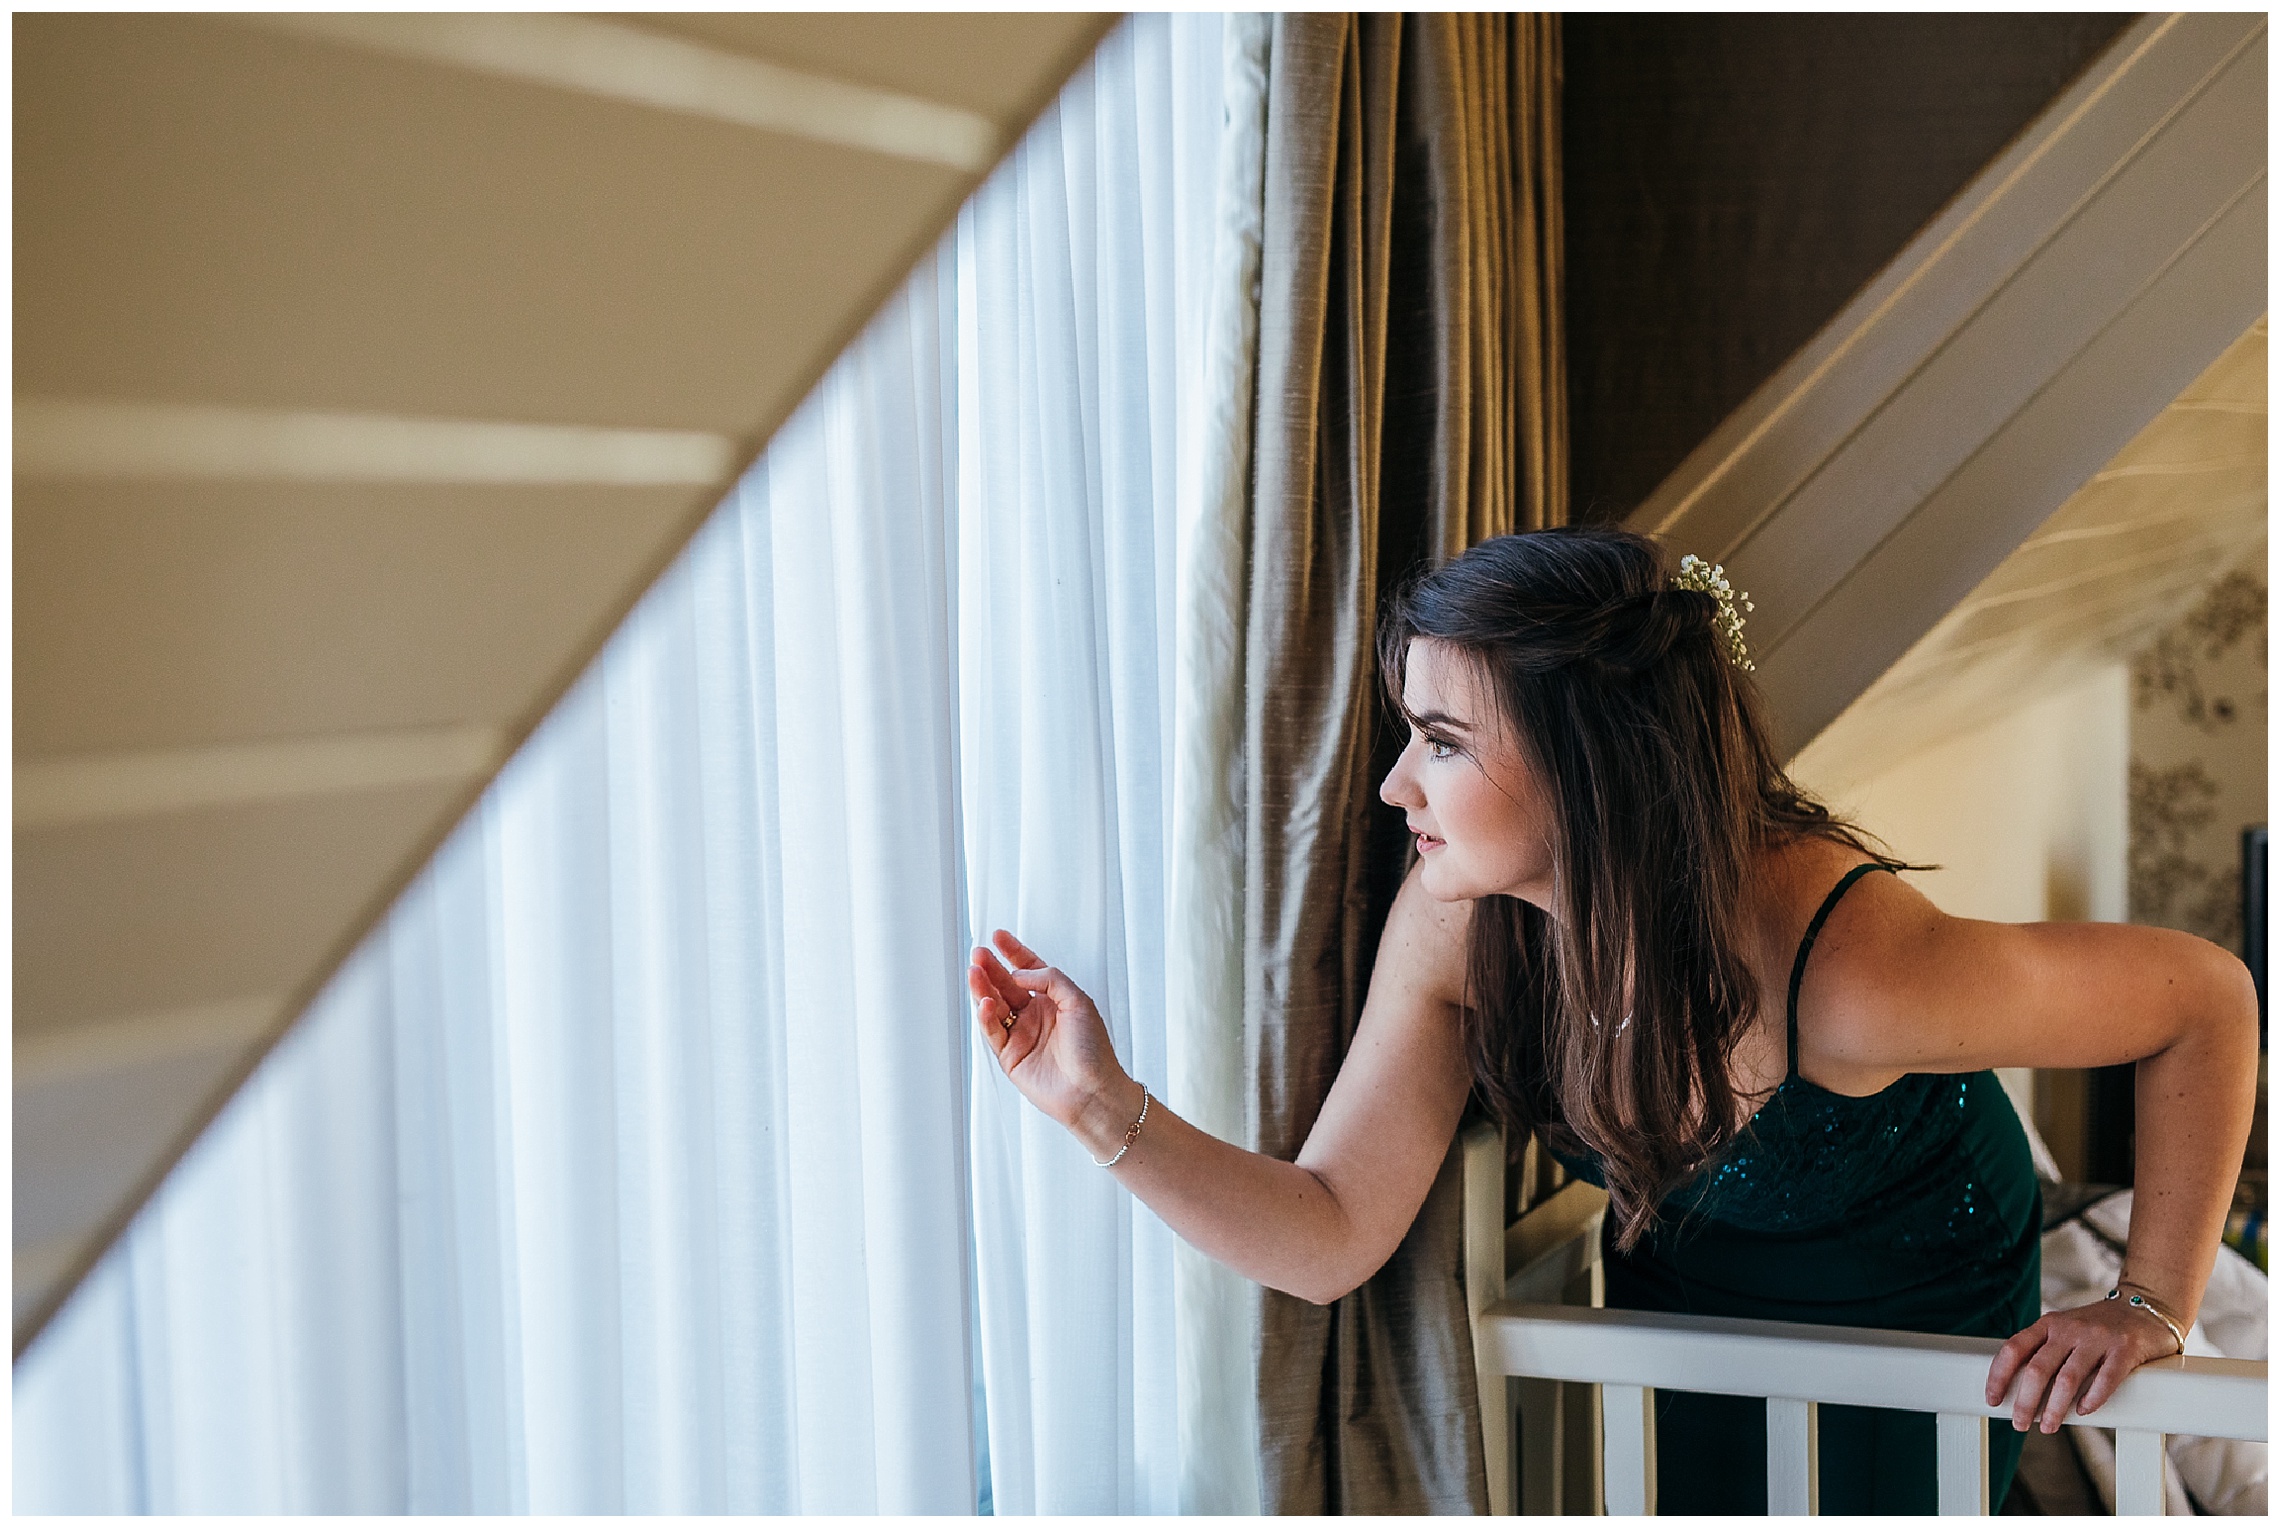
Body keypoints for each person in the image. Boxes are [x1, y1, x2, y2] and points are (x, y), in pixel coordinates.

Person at [965, 526, 2258, 1513]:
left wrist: (2152, 1305)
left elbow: (2205, 999)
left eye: (1441, 740)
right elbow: (1330, 1233)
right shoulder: (1459, 919)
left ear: (1590, 766)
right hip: (1685, 1309)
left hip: (1916, 1308)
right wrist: (1095, 1102)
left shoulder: (1855, 969)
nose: (1390, 782)